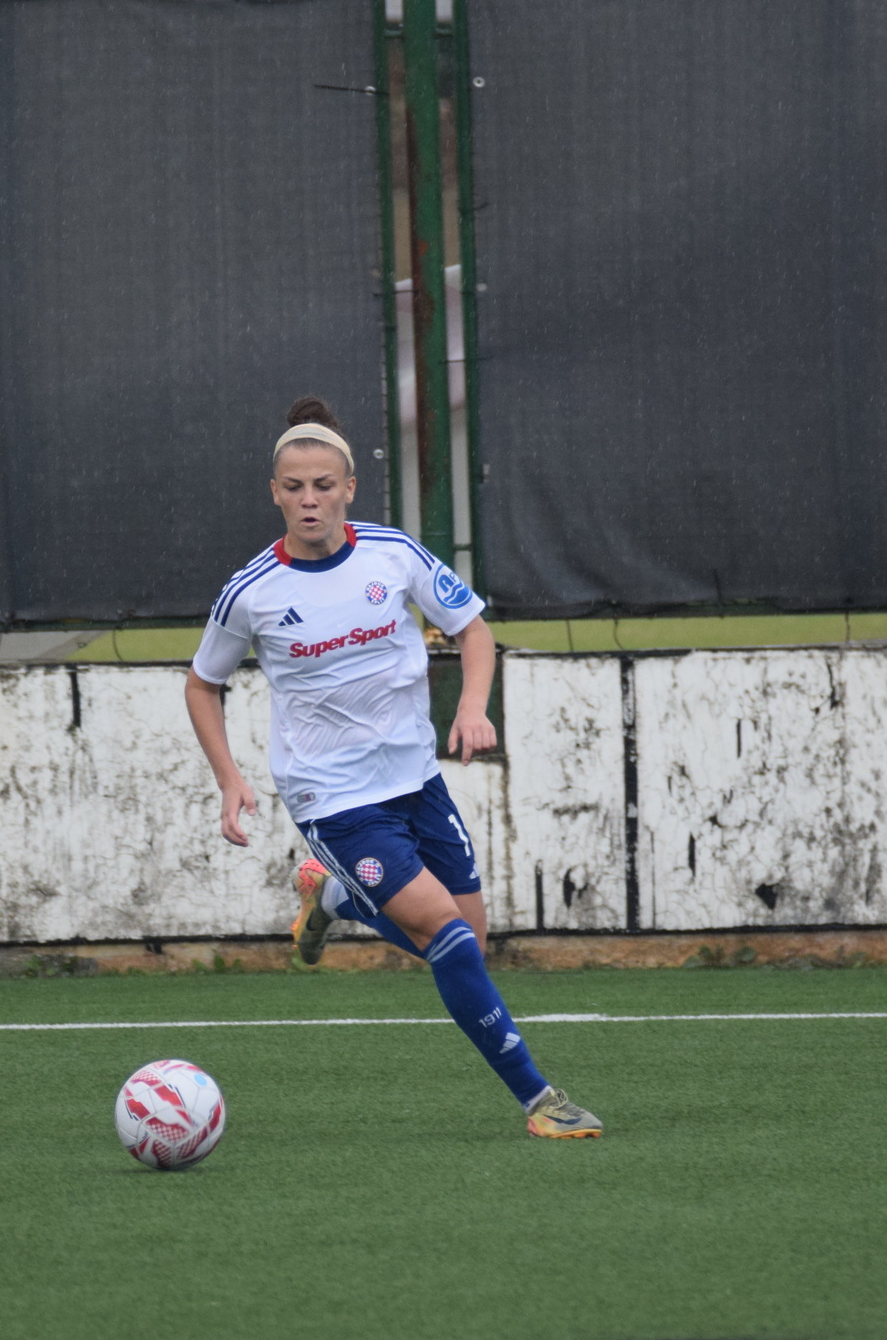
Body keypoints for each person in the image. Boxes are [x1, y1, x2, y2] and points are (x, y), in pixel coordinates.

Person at [182, 397, 602, 1139]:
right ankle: (541, 1101)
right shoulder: (252, 591)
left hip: (416, 780)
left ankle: (334, 899)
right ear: (274, 493)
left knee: (470, 946)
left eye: (323, 485)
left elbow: (474, 630)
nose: (309, 500)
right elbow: (201, 683)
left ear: (349, 487)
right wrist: (230, 779)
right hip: (332, 798)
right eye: (293, 487)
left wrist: (471, 708)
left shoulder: (393, 553)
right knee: (448, 939)